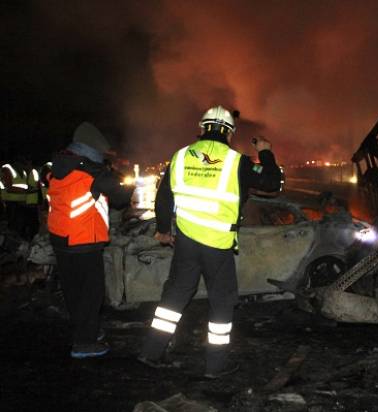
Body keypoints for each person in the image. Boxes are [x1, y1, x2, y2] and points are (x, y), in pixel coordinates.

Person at [139, 105, 282, 378]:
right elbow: (272, 183)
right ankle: (215, 367)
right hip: (217, 245)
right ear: (230, 133)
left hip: (186, 243)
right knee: (222, 302)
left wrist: (162, 230)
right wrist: (265, 150)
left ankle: (150, 352)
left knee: (174, 297)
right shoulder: (235, 161)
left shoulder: (180, 157)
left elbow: (164, 197)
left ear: (202, 128)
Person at [47, 122, 133, 359]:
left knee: (73, 290)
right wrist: (127, 178)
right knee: (91, 293)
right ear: (93, 150)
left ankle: (85, 331)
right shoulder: (93, 172)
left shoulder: (59, 167)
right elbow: (121, 198)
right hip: (84, 240)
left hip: (61, 239)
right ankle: (84, 343)